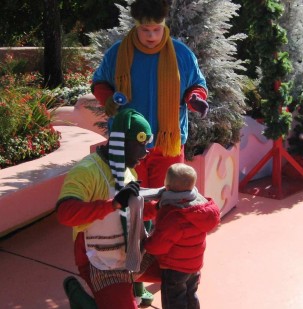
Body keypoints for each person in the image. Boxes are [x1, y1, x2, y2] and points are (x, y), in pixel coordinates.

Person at [91, 0, 209, 190]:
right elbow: (99, 83)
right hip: (127, 143)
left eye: (157, 29)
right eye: (146, 30)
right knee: (129, 198)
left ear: (164, 25)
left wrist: (194, 98)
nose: (152, 36)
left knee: (168, 197)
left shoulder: (182, 54)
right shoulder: (117, 53)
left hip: (167, 144)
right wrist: (107, 99)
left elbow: (196, 84)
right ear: (136, 25)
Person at [57, 109, 161, 309]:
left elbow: (133, 212)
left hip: (131, 256)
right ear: (121, 142)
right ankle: (82, 300)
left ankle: (129, 289)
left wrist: (162, 206)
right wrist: (113, 204)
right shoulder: (86, 171)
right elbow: (65, 213)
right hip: (101, 262)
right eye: (140, 144)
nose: (146, 151)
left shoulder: (128, 170)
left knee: (182, 266)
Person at [144, 163, 220, 309]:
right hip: (194, 264)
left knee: (174, 300)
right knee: (190, 294)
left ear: (166, 186)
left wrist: (146, 244)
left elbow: (159, 245)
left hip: (175, 267)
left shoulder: (175, 215)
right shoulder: (200, 205)